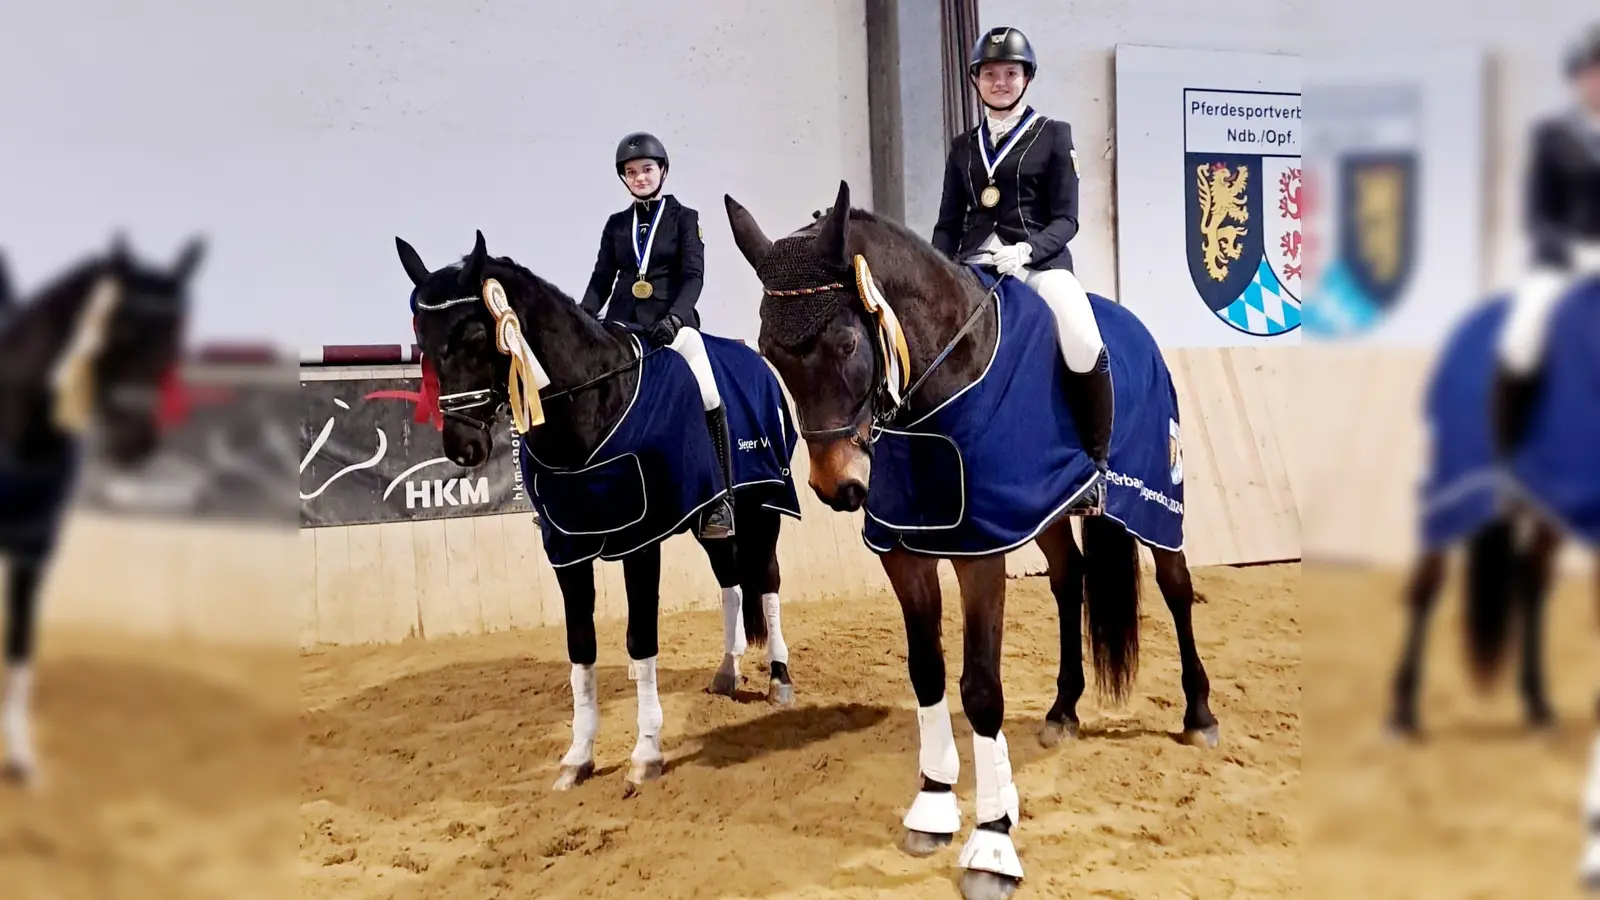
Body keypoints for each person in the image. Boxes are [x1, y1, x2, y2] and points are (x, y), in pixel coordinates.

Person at [932, 25, 1111, 513]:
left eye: (1010, 73)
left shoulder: (1054, 135)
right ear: (976, 80)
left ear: (1026, 77)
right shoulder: (963, 148)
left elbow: (1067, 219)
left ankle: (1094, 467)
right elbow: (948, 223)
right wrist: (938, 270)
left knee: (1082, 337)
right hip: (974, 267)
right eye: (990, 74)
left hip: (1036, 265)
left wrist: (1028, 252)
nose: (1000, 82)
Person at [579, 132, 736, 539]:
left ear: (662, 171)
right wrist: (581, 319)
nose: (640, 178)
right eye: (632, 173)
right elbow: (601, 280)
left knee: (706, 390)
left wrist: (676, 318)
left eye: (647, 170)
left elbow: (694, 276)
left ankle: (721, 498)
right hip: (621, 324)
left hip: (671, 325)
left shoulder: (685, 218)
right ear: (624, 179)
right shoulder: (616, 226)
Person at [1494, 22, 1600, 461]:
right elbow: (1538, 216)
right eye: (1592, 72)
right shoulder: (1553, 137)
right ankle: (1506, 460)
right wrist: (1575, 254)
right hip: (1564, 264)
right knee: (1523, 339)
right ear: (1577, 78)